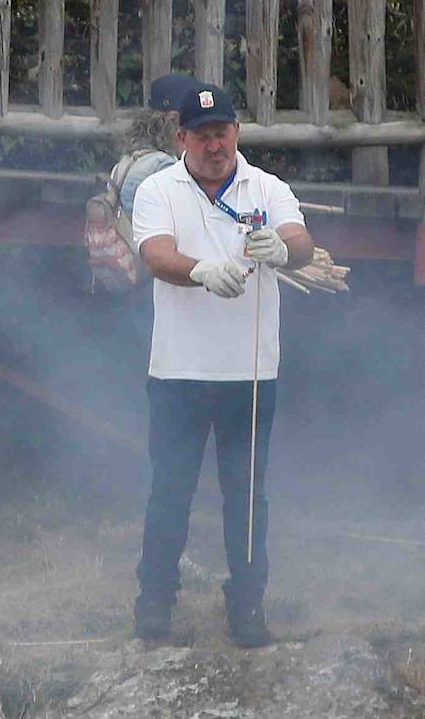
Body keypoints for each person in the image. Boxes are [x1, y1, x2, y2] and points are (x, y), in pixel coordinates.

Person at [130, 83, 314, 648]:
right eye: (204, 135)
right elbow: (155, 254)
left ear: (237, 131)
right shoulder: (158, 189)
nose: (215, 145)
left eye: (224, 132)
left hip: (251, 373)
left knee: (247, 495)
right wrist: (203, 271)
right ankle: (155, 602)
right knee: (170, 491)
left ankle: (248, 608)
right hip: (178, 372)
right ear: (180, 136)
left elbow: (302, 241)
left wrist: (285, 251)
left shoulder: (268, 186)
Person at [85, 72, 199, 293]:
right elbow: (182, 226)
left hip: (128, 267)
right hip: (152, 275)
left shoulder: (128, 159)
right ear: (175, 119)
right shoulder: (164, 166)